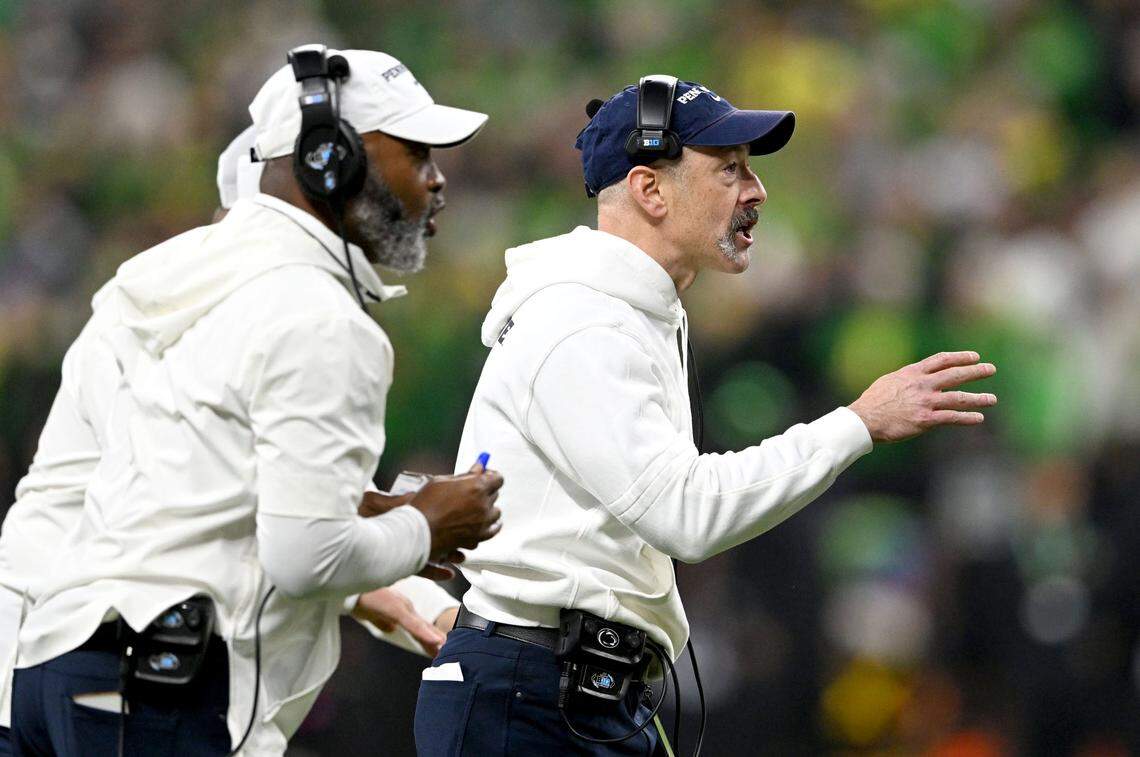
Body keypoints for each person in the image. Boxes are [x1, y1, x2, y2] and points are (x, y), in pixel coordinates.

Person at [413, 76, 999, 755]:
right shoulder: (583, 321)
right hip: (530, 698)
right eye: (729, 169)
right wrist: (858, 423)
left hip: (571, 689)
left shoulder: (627, 311)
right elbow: (684, 513)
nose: (756, 191)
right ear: (649, 189)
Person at [7, 46, 502, 756]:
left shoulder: (174, 284)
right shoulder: (318, 315)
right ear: (329, 160)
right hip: (158, 674)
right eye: (416, 151)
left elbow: (208, 484)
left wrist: (381, 523)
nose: (437, 178)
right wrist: (427, 524)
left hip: (54, 662)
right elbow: (304, 553)